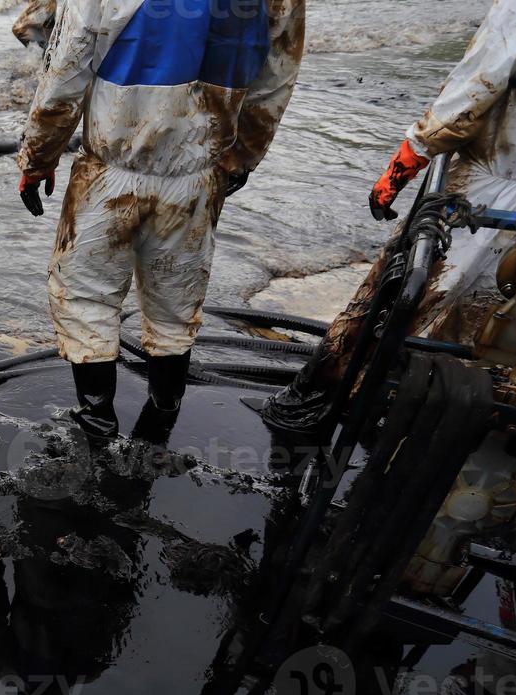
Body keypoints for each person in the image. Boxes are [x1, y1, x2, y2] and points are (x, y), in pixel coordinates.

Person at [263, 0, 516, 435]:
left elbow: (476, 86)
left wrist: (404, 163)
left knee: (405, 291)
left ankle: (329, 400)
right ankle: (420, 410)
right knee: (493, 312)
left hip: (488, 182)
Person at [16, 0, 306, 439]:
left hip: (109, 174)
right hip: (197, 178)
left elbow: (66, 69)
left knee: (88, 297)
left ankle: (96, 418)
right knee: (175, 309)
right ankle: (163, 413)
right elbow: (276, 77)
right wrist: (244, 155)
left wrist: (38, 157)